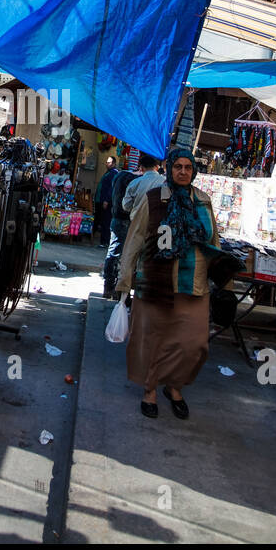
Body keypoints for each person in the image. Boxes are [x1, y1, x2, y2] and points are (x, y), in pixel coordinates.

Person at [117, 147, 221, 420]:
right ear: (169, 169)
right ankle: (151, 389)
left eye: (188, 167)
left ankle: (174, 386)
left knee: (194, 344)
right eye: (178, 167)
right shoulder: (154, 199)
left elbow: (214, 241)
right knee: (153, 340)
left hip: (194, 285)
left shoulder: (203, 201)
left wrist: (225, 281)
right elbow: (135, 238)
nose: (183, 172)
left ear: (194, 171)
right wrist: (124, 280)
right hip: (156, 281)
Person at [102, 158, 141, 295]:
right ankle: (111, 286)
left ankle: (109, 284)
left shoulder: (119, 176)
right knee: (119, 253)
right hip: (124, 218)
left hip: (117, 217)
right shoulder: (131, 179)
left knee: (114, 251)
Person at [121, 153, 164, 217]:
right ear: (156, 167)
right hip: (158, 223)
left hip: (137, 221)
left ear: (141, 168)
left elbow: (126, 206)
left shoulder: (134, 183)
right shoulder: (165, 181)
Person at [94, 157, 118, 248]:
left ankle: (105, 241)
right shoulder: (108, 173)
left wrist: (107, 200)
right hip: (100, 200)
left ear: (114, 163)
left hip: (105, 201)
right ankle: (102, 240)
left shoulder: (114, 173)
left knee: (106, 221)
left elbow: (111, 188)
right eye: (107, 162)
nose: (107, 164)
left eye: (109, 162)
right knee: (100, 219)